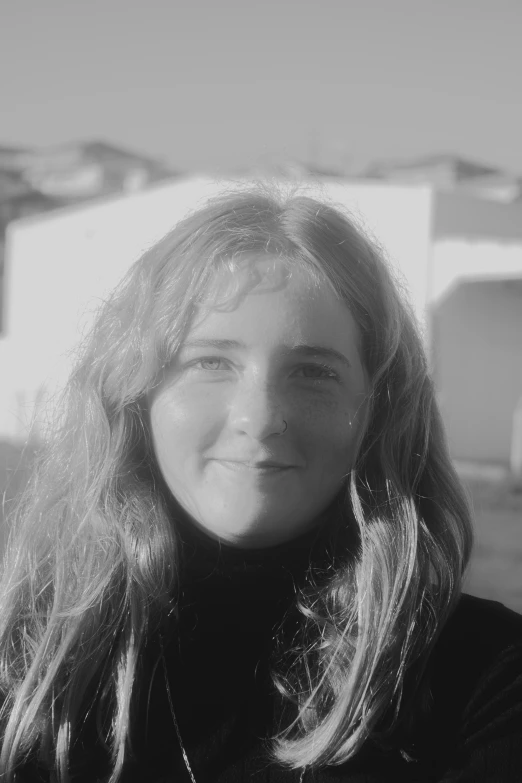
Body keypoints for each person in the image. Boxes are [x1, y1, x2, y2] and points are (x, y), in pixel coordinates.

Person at [0, 187, 521, 783]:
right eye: (210, 362)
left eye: (313, 372)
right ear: (134, 394)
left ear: (380, 411)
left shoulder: (485, 680)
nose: (258, 415)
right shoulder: (32, 667)